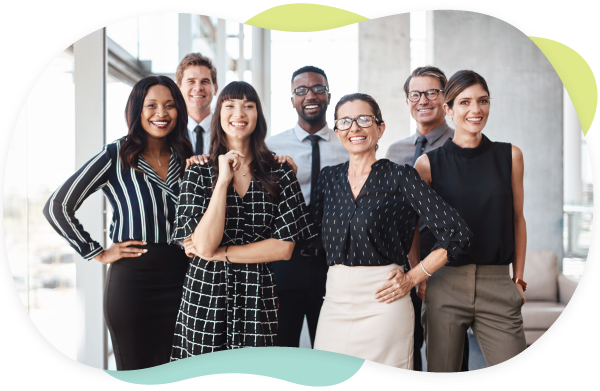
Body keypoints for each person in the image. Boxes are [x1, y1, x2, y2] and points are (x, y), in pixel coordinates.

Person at [310, 93, 473, 369]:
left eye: (364, 119)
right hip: (334, 302)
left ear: (380, 128)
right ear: (337, 131)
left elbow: (458, 233)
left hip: (384, 300)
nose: (355, 128)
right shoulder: (328, 178)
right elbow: (306, 235)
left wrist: (413, 277)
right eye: (345, 121)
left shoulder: (401, 176)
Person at [43, 76, 194, 370]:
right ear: (137, 110)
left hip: (184, 278)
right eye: (151, 105)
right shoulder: (116, 154)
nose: (161, 114)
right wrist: (97, 252)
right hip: (134, 282)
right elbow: (57, 205)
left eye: (169, 106)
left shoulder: (185, 156)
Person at [169, 81, 317, 359]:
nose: (239, 113)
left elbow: (283, 249)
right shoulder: (197, 173)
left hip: (257, 297)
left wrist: (220, 253)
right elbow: (202, 245)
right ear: (219, 115)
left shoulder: (281, 172)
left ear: (258, 116)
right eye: (230, 106)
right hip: (205, 296)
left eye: (248, 106)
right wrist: (223, 181)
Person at [414, 70, 527, 373]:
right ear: (448, 110)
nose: (475, 110)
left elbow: (517, 219)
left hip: (497, 283)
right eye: (464, 102)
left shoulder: (510, 156)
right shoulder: (427, 165)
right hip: (445, 283)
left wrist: (518, 279)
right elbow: (413, 226)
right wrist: (421, 276)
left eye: (483, 101)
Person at [386, 66, 469, 372]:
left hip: (447, 267)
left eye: (432, 92)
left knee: (449, 358)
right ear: (407, 100)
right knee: (406, 353)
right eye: (415, 94)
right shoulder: (395, 151)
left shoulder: (461, 147)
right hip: (402, 267)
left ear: (445, 99)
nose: (423, 100)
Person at [265, 66, 349, 348]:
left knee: (331, 350)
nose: (310, 95)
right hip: (285, 261)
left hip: (332, 261)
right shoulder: (270, 148)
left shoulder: (347, 145)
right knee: (281, 348)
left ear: (328, 96)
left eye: (317, 89)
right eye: (301, 90)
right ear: (292, 100)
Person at [176, 52, 218, 156]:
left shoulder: (227, 130)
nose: (198, 88)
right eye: (191, 81)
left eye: (205, 81)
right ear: (178, 89)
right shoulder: (169, 131)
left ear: (215, 89)